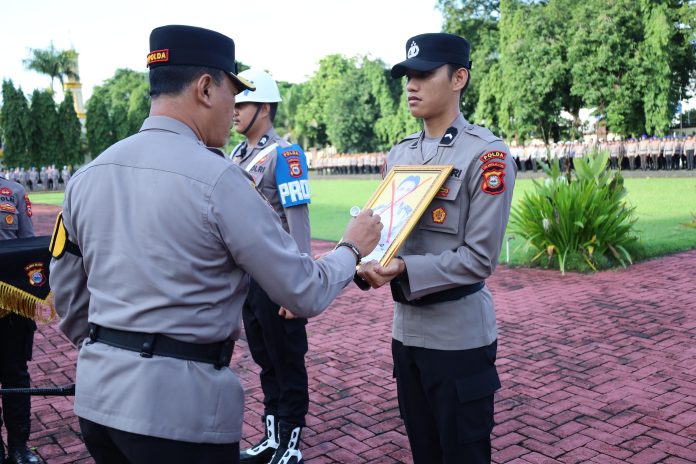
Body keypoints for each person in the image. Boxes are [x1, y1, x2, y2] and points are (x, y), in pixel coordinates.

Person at [49, 24, 382, 464]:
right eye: (232, 94)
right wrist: (351, 249)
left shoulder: (87, 176)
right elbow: (305, 289)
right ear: (206, 88)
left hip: (98, 404)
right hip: (181, 417)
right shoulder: (220, 178)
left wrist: (114, 354)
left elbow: (70, 299)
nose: (234, 109)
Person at [355, 33, 516, 464]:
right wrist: (363, 258)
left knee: (463, 455)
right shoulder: (400, 153)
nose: (412, 84)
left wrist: (403, 268)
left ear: (459, 78)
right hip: (406, 333)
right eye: (408, 75)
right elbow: (386, 234)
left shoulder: (487, 156)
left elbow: (479, 259)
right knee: (423, 452)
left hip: (459, 337)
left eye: (424, 74)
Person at [229, 69, 312, 464]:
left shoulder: (286, 154)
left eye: (241, 103)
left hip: (278, 277)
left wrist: (298, 287)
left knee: (287, 361)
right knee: (264, 360)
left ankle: (291, 444)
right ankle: (272, 436)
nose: (233, 109)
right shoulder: (235, 156)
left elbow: (298, 222)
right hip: (249, 279)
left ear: (263, 108)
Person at [0, 176, 40, 464]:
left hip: (10, 303)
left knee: (15, 373)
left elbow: (27, 246)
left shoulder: (13, 191)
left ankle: (18, 447)